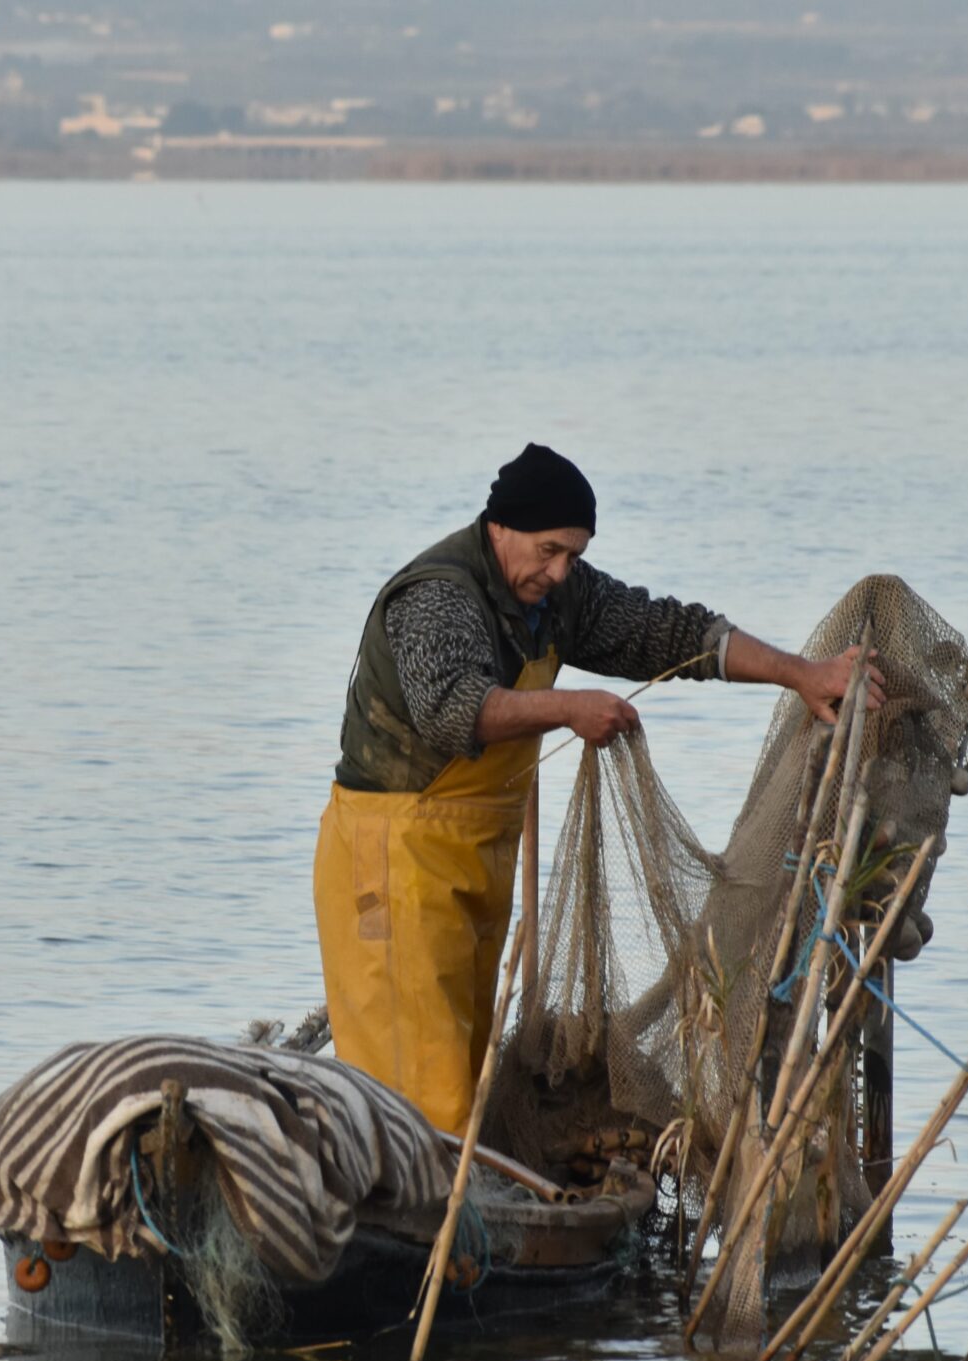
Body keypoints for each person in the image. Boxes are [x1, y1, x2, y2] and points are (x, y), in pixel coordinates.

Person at [312, 443, 873, 1133]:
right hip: (391, 863)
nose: (559, 571)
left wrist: (802, 674)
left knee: (463, 1085)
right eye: (549, 550)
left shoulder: (557, 594)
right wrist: (570, 707)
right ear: (500, 526)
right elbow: (454, 707)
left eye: (573, 556)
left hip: (468, 860)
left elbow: (673, 635)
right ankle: (419, 1236)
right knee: (414, 1107)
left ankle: (464, 1227)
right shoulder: (439, 595)